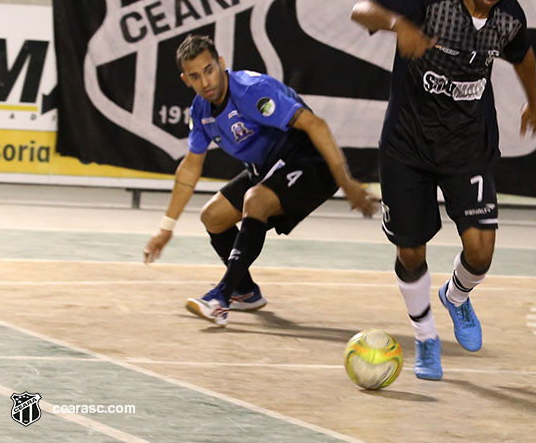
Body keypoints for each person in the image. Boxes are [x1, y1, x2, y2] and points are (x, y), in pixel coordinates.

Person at [350, 0, 536, 380]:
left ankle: (455, 297)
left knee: (481, 253)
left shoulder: (508, 17)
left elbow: (524, 56)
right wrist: (401, 25)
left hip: (468, 146)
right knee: (411, 251)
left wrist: (533, 99)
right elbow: (361, 10)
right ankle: (426, 338)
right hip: (407, 146)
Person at [143, 34, 378, 327]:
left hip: (309, 160)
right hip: (266, 167)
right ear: (185, 80)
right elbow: (190, 168)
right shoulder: (201, 111)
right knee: (213, 217)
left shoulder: (252, 91)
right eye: (195, 76)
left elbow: (315, 124)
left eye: (209, 70)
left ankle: (221, 298)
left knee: (255, 200)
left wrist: (347, 183)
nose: (205, 82)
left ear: (221, 64)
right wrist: (166, 229)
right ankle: (245, 291)